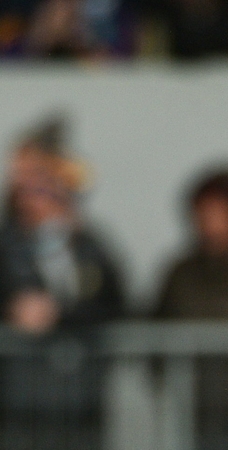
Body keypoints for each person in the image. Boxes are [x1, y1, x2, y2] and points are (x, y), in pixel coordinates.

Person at [0, 115, 127, 449]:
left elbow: (116, 304)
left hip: (80, 398)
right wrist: (13, 311)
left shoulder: (89, 245)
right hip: (18, 403)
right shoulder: (6, 244)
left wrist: (61, 314)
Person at [154, 167, 228, 450]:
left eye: (221, 213)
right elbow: (154, 335)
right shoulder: (181, 275)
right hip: (196, 408)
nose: (212, 223)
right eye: (205, 213)